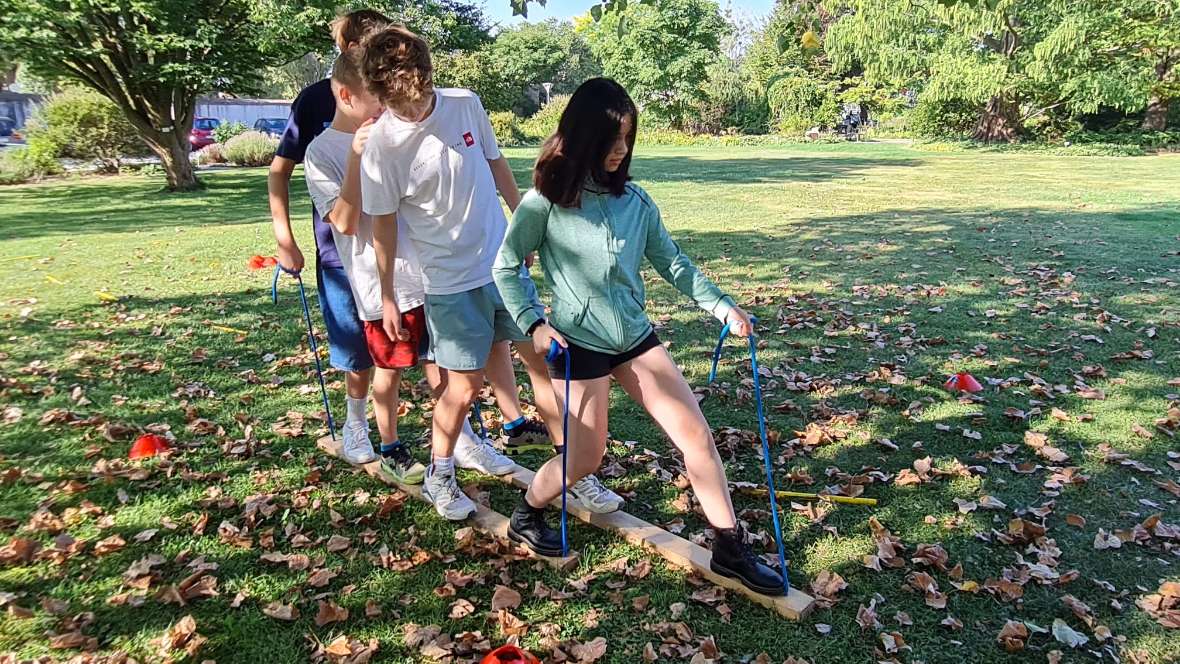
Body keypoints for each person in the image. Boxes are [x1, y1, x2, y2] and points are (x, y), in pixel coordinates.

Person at [492, 78, 785, 595]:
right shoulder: (545, 203)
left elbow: (673, 263)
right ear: (583, 136)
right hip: (576, 343)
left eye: (628, 137)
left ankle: (729, 547)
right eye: (611, 138)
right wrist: (534, 323)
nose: (621, 149)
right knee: (585, 459)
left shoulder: (637, 201)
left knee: (695, 434)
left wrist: (721, 306)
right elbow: (506, 265)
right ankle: (528, 510)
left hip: (634, 338)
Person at [358, 26, 622, 520]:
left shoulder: (464, 105)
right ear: (381, 94)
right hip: (451, 286)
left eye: (420, 99)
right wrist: (389, 295)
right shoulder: (381, 150)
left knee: (543, 366)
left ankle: (573, 474)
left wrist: (525, 230)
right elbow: (384, 230)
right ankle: (441, 473)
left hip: (502, 269)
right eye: (403, 106)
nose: (415, 111)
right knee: (462, 388)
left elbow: (499, 169)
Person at [268, 10, 543, 473]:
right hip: (363, 272)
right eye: (377, 100)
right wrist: (357, 159)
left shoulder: (402, 126)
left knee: (439, 359)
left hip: (425, 271)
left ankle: (463, 439)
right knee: (375, 363)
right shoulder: (325, 149)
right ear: (350, 93)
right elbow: (348, 221)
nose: (385, 108)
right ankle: (369, 433)